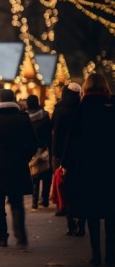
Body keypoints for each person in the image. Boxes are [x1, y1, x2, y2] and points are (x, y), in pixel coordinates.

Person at [61, 73, 115, 266]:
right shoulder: (112, 107)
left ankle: (96, 255)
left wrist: (66, 164)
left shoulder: (84, 108)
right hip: (110, 168)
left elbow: (73, 140)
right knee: (111, 213)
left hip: (88, 168)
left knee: (91, 211)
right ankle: (111, 255)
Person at [0, 89, 38, 247]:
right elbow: (33, 142)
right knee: (17, 202)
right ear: (14, 100)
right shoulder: (23, 118)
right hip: (18, 166)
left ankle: (2, 237)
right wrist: (25, 157)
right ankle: (20, 236)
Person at [51, 83, 85, 235]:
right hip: (80, 153)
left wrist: (56, 154)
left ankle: (69, 218)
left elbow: (56, 132)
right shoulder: (82, 108)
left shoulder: (60, 108)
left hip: (62, 154)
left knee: (64, 185)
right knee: (80, 187)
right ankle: (82, 222)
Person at [26, 94, 52, 210]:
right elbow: (49, 132)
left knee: (34, 174)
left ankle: (34, 201)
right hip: (44, 147)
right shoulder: (45, 115)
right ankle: (45, 199)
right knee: (46, 174)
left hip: (31, 149)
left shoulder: (25, 116)